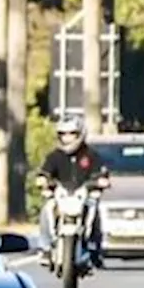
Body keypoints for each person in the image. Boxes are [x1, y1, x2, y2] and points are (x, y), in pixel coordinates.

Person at [36, 114, 109, 268]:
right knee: (46, 210)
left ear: (80, 133)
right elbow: (45, 172)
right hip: (61, 195)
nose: (67, 138)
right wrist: (43, 180)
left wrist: (101, 181)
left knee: (94, 211)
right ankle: (46, 248)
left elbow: (101, 172)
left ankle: (94, 248)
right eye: (63, 134)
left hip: (84, 194)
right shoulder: (54, 156)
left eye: (71, 134)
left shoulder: (91, 155)